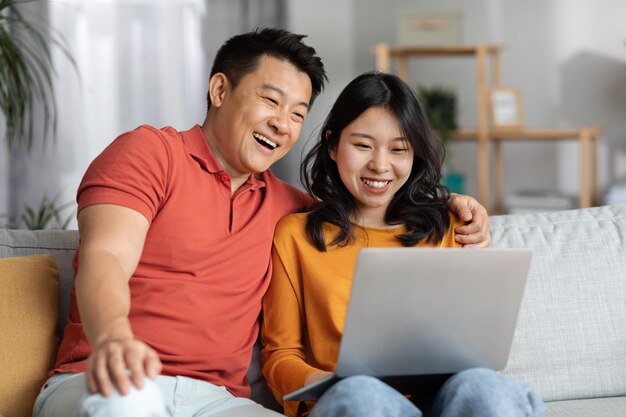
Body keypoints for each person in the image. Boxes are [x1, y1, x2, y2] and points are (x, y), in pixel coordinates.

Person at [33, 29, 491, 417]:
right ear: (219, 90)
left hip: (218, 401)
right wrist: (113, 338)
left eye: (297, 113)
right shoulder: (151, 153)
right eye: (271, 100)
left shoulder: (287, 206)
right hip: (111, 378)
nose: (282, 124)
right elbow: (106, 256)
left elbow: (368, 197)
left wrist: (447, 203)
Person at [261, 72, 545, 417]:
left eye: (399, 149)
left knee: (486, 388)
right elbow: (280, 356)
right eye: (363, 145)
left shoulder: (449, 226)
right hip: (354, 402)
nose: (380, 165)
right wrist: (329, 382)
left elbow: (474, 353)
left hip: (440, 400)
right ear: (332, 145)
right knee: (363, 394)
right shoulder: (296, 236)